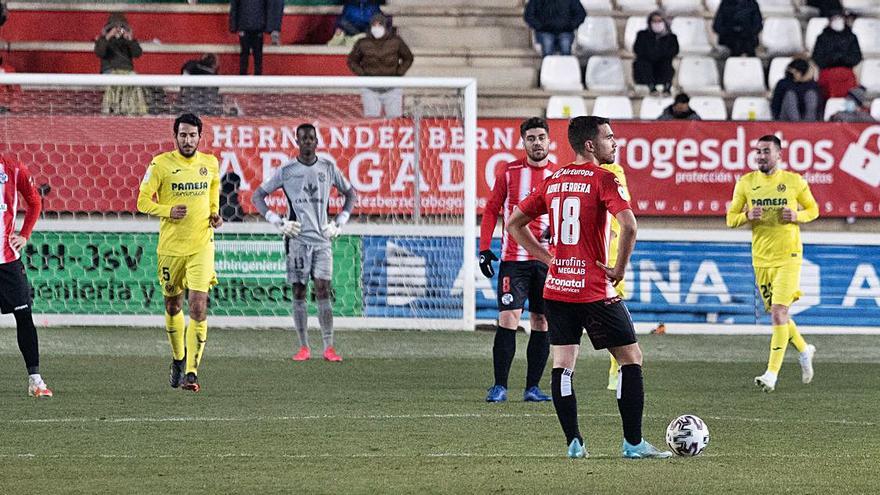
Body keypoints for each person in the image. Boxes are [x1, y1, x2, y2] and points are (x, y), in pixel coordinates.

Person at [507, 116, 672, 459]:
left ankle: (574, 442)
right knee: (631, 358)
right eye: (609, 138)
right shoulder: (604, 179)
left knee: (563, 364)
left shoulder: (554, 179)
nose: (615, 143)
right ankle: (633, 443)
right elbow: (629, 226)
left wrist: (547, 259)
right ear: (590, 145)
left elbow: (514, 223)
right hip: (595, 289)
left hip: (557, 289)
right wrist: (619, 269)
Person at [252, 124, 358, 362]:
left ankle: (329, 347)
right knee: (299, 291)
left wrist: (340, 222)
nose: (308, 142)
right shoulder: (287, 170)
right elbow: (257, 196)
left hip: (322, 240)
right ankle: (303, 347)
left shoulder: (328, 167)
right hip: (297, 241)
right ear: (297, 142)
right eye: (303, 138)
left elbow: (351, 194)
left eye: (312, 138)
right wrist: (278, 222)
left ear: (317, 140)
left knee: (323, 290)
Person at [137, 113, 223, 393]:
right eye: (183, 135)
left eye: (192, 135)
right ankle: (177, 358)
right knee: (173, 306)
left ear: (201, 137)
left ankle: (191, 372)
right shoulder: (160, 164)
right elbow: (141, 202)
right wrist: (167, 210)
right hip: (171, 249)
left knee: (198, 306)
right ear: (175, 137)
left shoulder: (210, 164)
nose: (188, 140)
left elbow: (213, 195)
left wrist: (214, 214)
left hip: (201, 245)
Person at [725, 135, 818, 393]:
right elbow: (729, 218)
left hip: (789, 256)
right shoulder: (746, 183)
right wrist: (746, 216)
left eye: (766, 151)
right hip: (762, 259)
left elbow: (814, 209)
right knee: (780, 315)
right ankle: (803, 349)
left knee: (778, 312)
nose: (761, 156)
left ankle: (771, 374)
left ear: (779, 154)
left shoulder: (793, 181)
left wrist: (797, 216)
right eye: (758, 151)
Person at [479, 117, 555, 404]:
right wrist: (484, 248)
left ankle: (532, 388)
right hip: (513, 259)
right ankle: (500, 386)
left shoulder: (558, 176)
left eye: (541, 137)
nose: (537, 142)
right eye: (531, 138)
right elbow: (491, 210)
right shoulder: (510, 173)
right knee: (508, 318)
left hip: (546, 261)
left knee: (541, 321)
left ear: (549, 141)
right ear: (523, 142)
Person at [1, 154, 52, 397]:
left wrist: (25, 234)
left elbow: (34, 201)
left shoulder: (12, 168)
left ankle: (36, 380)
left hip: (7, 261)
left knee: (24, 316)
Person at [347, 14, 413, 118]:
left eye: (379, 25)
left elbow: (408, 58)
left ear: (385, 26)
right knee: (371, 120)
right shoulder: (362, 43)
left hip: (393, 87)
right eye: (374, 25)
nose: (376, 28)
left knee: (395, 120)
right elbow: (351, 61)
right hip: (370, 88)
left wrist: (399, 72)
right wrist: (363, 74)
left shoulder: (396, 41)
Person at [94, 13, 146, 115]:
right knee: (115, 82)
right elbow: (100, 52)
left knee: (134, 81)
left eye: (121, 27)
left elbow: (137, 53)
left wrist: (130, 40)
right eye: (115, 27)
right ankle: (112, 109)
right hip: (110, 70)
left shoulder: (128, 41)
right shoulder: (103, 40)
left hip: (128, 71)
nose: (118, 30)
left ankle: (131, 110)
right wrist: (108, 36)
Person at [812, 10, 862, 99]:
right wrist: (832, 59)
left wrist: (843, 59)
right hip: (828, 71)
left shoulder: (851, 37)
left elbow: (856, 57)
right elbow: (817, 58)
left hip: (846, 71)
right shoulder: (822, 38)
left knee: (848, 79)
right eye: (834, 19)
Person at [229, 0, 283, 75]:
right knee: (256, 56)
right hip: (257, 25)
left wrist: (234, 26)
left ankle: (244, 77)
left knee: (246, 55)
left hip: (247, 25)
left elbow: (234, 6)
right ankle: (256, 78)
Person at [633, 11, 679, 96]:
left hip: (662, 67)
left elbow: (674, 51)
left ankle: (667, 86)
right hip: (646, 67)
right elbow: (637, 50)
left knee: (667, 63)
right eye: (654, 21)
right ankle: (651, 86)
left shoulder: (671, 37)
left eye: (660, 21)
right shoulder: (642, 35)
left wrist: (659, 54)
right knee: (642, 62)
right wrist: (652, 54)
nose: (657, 23)